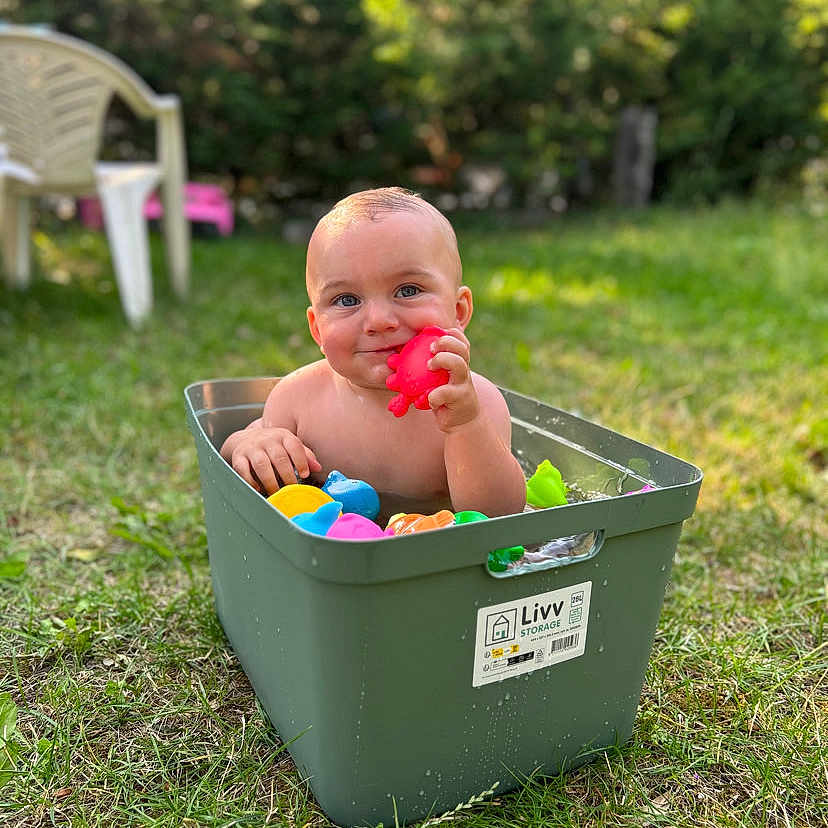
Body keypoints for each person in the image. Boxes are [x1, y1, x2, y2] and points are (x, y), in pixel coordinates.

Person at [220, 187, 526, 518]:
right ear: (317, 330)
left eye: (408, 291)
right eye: (347, 300)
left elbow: (499, 514)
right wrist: (246, 445)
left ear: (459, 311)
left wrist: (465, 425)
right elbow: (251, 450)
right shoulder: (298, 398)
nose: (379, 321)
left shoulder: (477, 402)